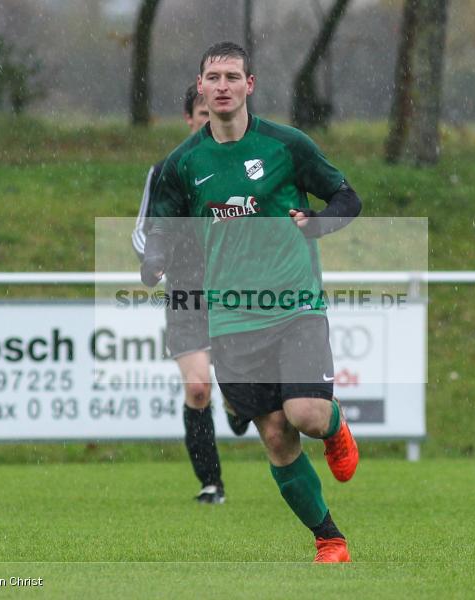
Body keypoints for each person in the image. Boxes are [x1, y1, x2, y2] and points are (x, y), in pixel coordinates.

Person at [141, 42, 362, 562]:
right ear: (200, 87)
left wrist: (318, 223)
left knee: (306, 415)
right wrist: (154, 258)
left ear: (250, 85)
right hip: (230, 319)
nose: (222, 86)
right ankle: (329, 539)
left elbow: (347, 197)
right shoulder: (183, 163)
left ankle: (334, 425)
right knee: (277, 436)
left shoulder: (287, 145)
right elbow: (161, 225)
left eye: (232, 77)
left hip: (295, 306)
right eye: (213, 77)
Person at [132, 84, 247, 506]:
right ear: (190, 118)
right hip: (186, 293)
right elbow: (143, 230)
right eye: (202, 114)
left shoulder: (246, 166)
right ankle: (211, 482)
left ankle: (238, 405)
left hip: (237, 292)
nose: (209, 121)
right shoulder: (168, 170)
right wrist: (153, 258)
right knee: (198, 388)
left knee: (238, 390)